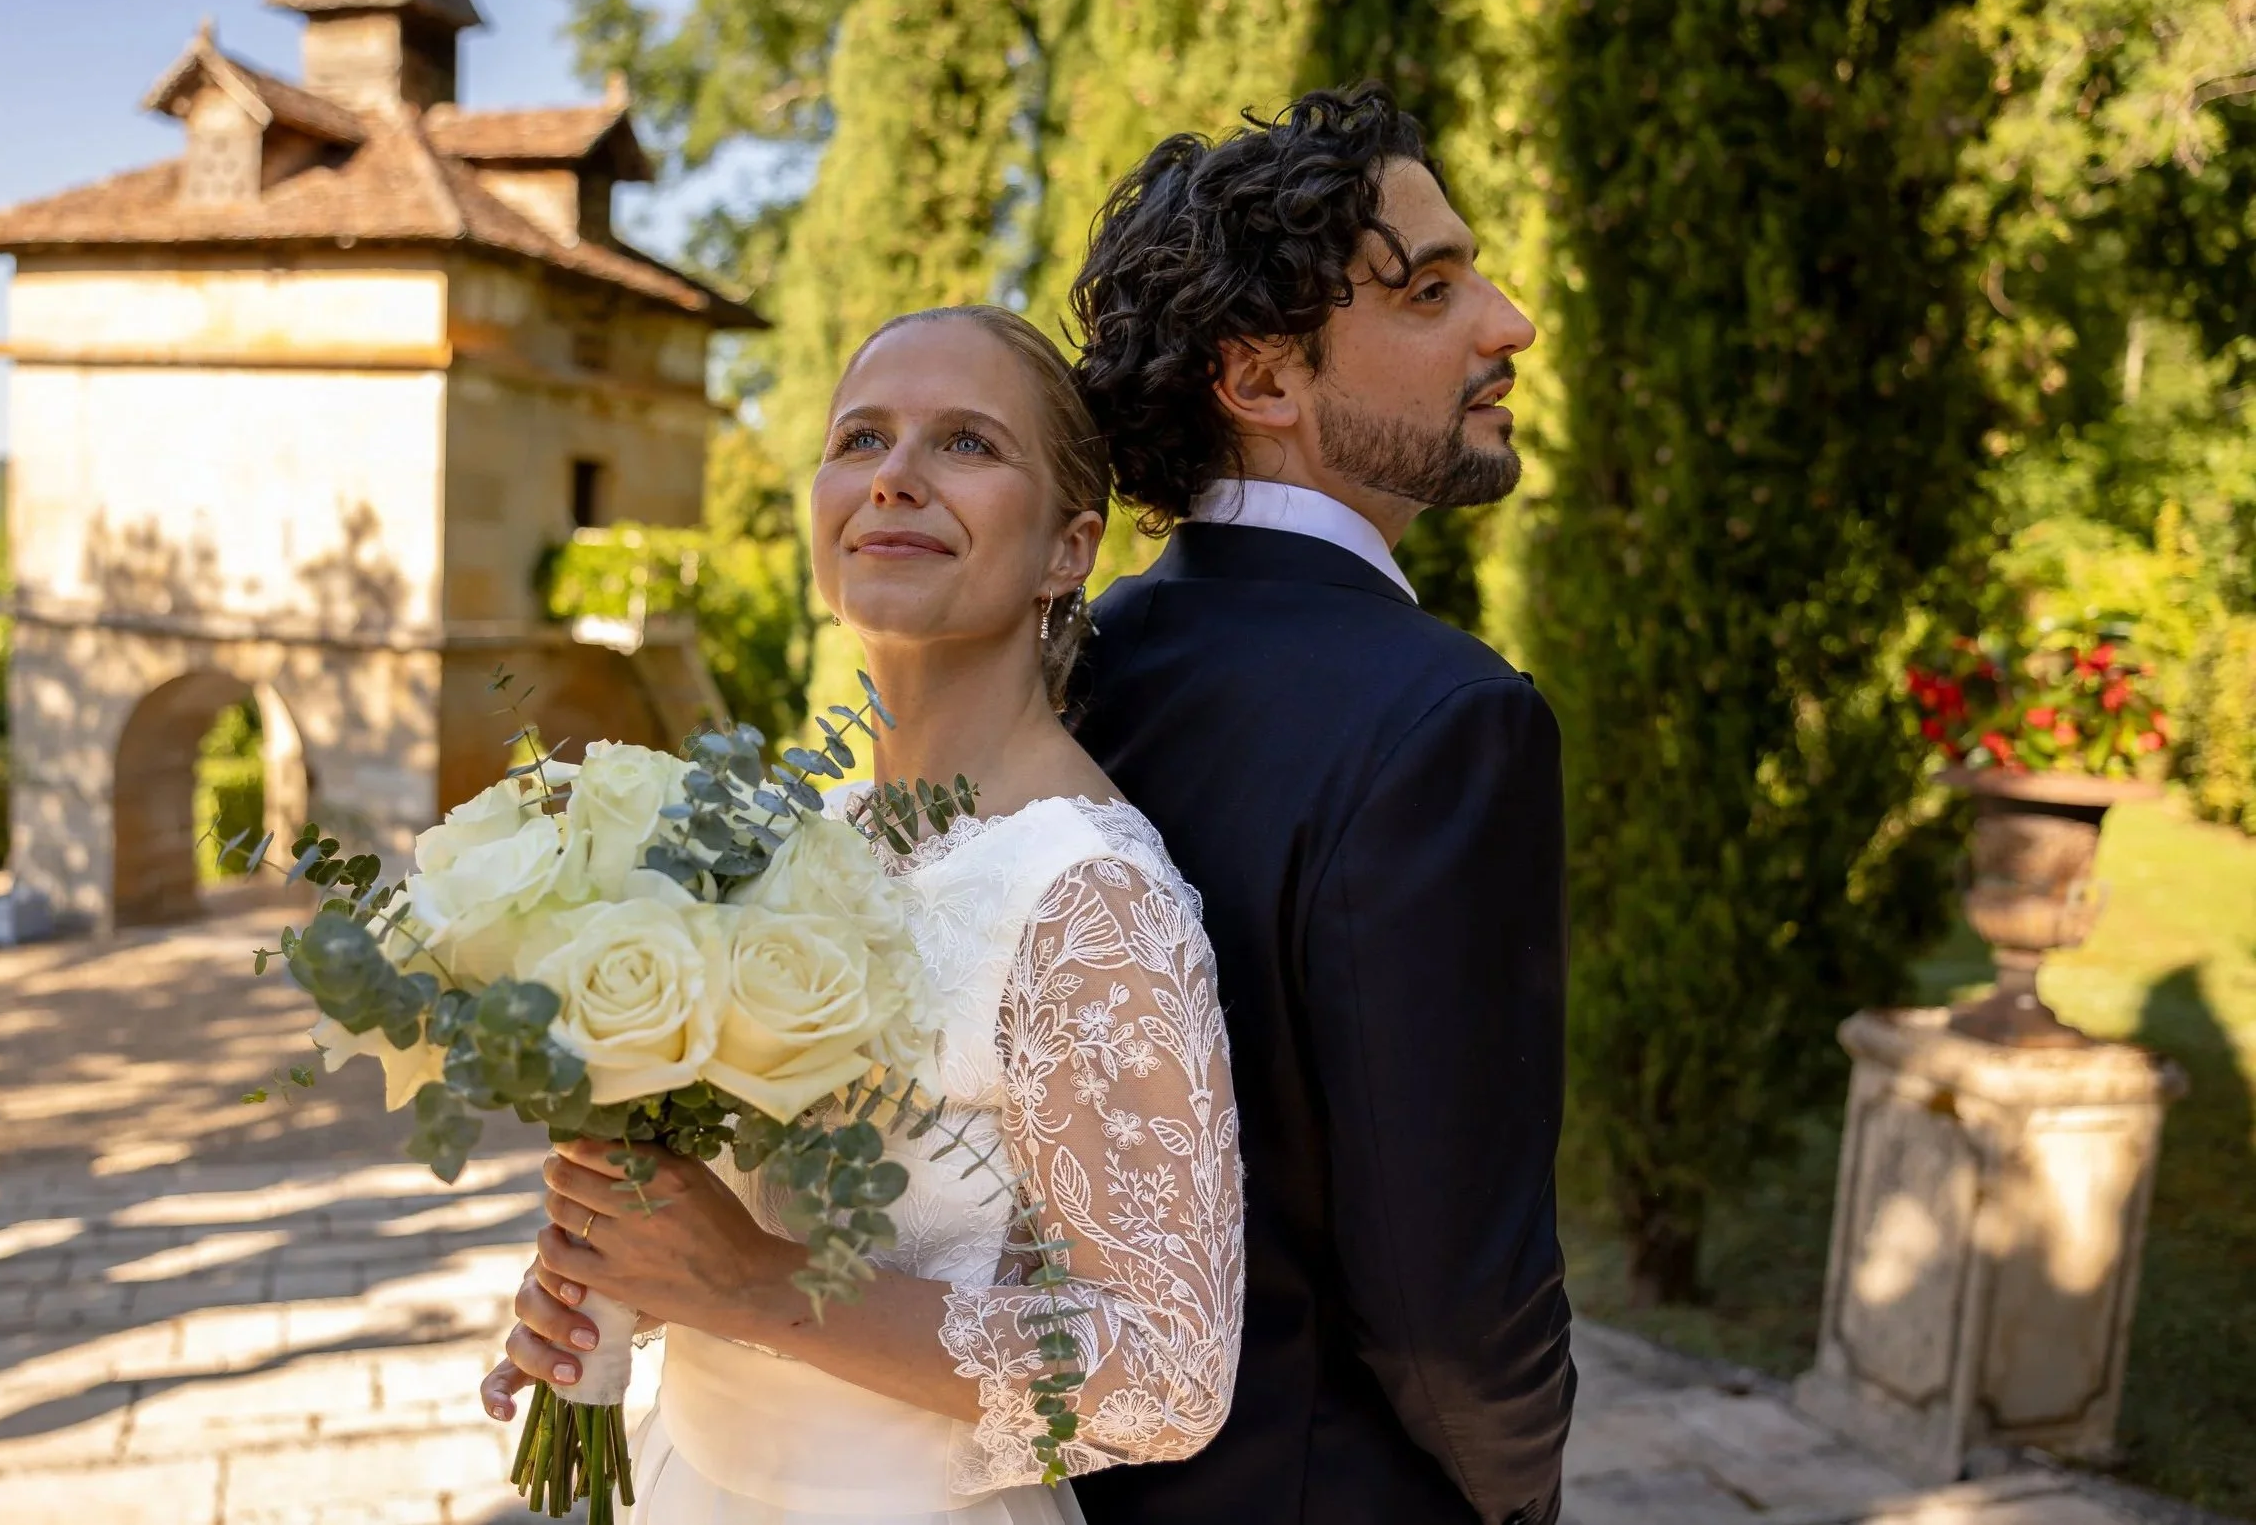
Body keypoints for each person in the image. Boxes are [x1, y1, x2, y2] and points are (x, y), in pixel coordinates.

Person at [479, 306, 1244, 1525]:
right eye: (861, 439)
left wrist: (754, 1283)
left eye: (966, 444)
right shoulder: (795, 837)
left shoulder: (1086, 898)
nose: (893, 477)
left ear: (1068, 548)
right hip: (688, 1480)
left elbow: (1167, 1374)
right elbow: (711, 1204)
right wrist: (618, 1275)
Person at [1065, 85, 1575, 1525]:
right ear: (1260, 379)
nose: (1509, 323)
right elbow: (1449, 1295)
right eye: (1428, 290)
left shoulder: (1076, 664)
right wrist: (1519, 1496)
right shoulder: (1448, 719)